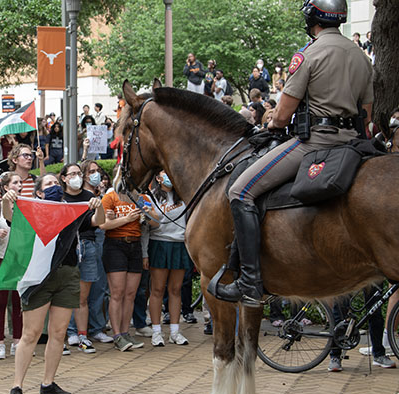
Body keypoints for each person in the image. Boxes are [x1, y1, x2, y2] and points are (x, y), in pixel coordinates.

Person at [217, 0, 373, 305]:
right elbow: (366, 113)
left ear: (312, 18)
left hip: (316, 142)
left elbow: (283, 115)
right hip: (354, 143)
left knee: (240, 191)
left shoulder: (308, 54)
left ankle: (249, 281)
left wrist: (272, 120)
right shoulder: (360, 56)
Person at [4, 174, 101, 394]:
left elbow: (98, 221)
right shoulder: (31, 210)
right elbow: (10, 218)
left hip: (67, 274)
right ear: (38, 192)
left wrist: (99, 205)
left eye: (57, 183)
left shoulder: (72, 210)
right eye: (48, 184)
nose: (55, 187)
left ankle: (48, 383)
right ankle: (17, 385)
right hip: (38, 277)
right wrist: (9, 202)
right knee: (31, 333)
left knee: (58, 333)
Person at [60, 163, 105, 354]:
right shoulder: (59, 198)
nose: (77, 177)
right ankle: (63, 336)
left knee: (82, 297)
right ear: (64, 178)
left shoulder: (89, 197)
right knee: (63, 296)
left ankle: (82, 335)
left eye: (79, 173)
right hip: (65, 250)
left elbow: (98, 221)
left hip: (87, 246)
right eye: (72, 174)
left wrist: (99, 206)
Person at [143, 172, 191, 347]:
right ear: (157, 177)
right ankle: (157, 332)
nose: (169, 176)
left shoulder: (185, 194)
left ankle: (175, 332)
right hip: (159, 244)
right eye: (164, 173)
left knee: (176, 289)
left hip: (179, 244)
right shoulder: (151, 197)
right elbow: (147, 228)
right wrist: (144, 254)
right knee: (157, 289)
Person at [101, 180, 148, 352]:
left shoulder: (139, 198)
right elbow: (103, 224)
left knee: (130, 293)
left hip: (135, 245)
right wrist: (126, 219)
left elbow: (150, 223)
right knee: (117, 292)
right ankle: (117, 335)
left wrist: (147, 216)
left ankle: (126, 332)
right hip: (115, 244)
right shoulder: (110, 197)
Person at [0, 173, 22, 359]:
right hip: (0, 258)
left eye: (20, 182)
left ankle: (17, 341)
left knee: (18, 302)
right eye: (15, 182)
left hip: (19, 260)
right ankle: (0, 342)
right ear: (5, 187)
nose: (19, 185)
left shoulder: (26, 207)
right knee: (0, 300)